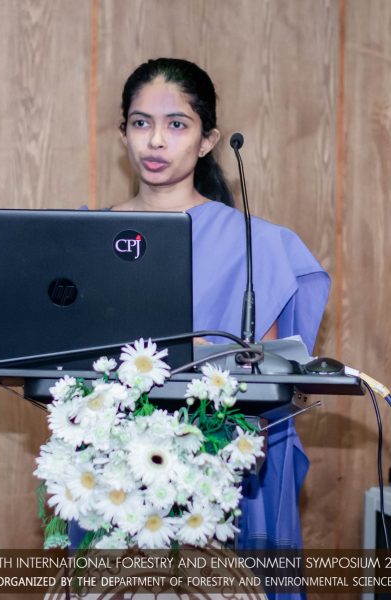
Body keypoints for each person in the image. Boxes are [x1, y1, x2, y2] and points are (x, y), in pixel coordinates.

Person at [111, 58, 330, 552]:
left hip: (223, 468)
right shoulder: (82, 236)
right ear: (122, 132)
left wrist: (197, 355)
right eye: (141, 123)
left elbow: (267, 378)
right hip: (113, 472)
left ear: (207, 140)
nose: (155, 141)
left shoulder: (256, 244)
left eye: (177, 125)